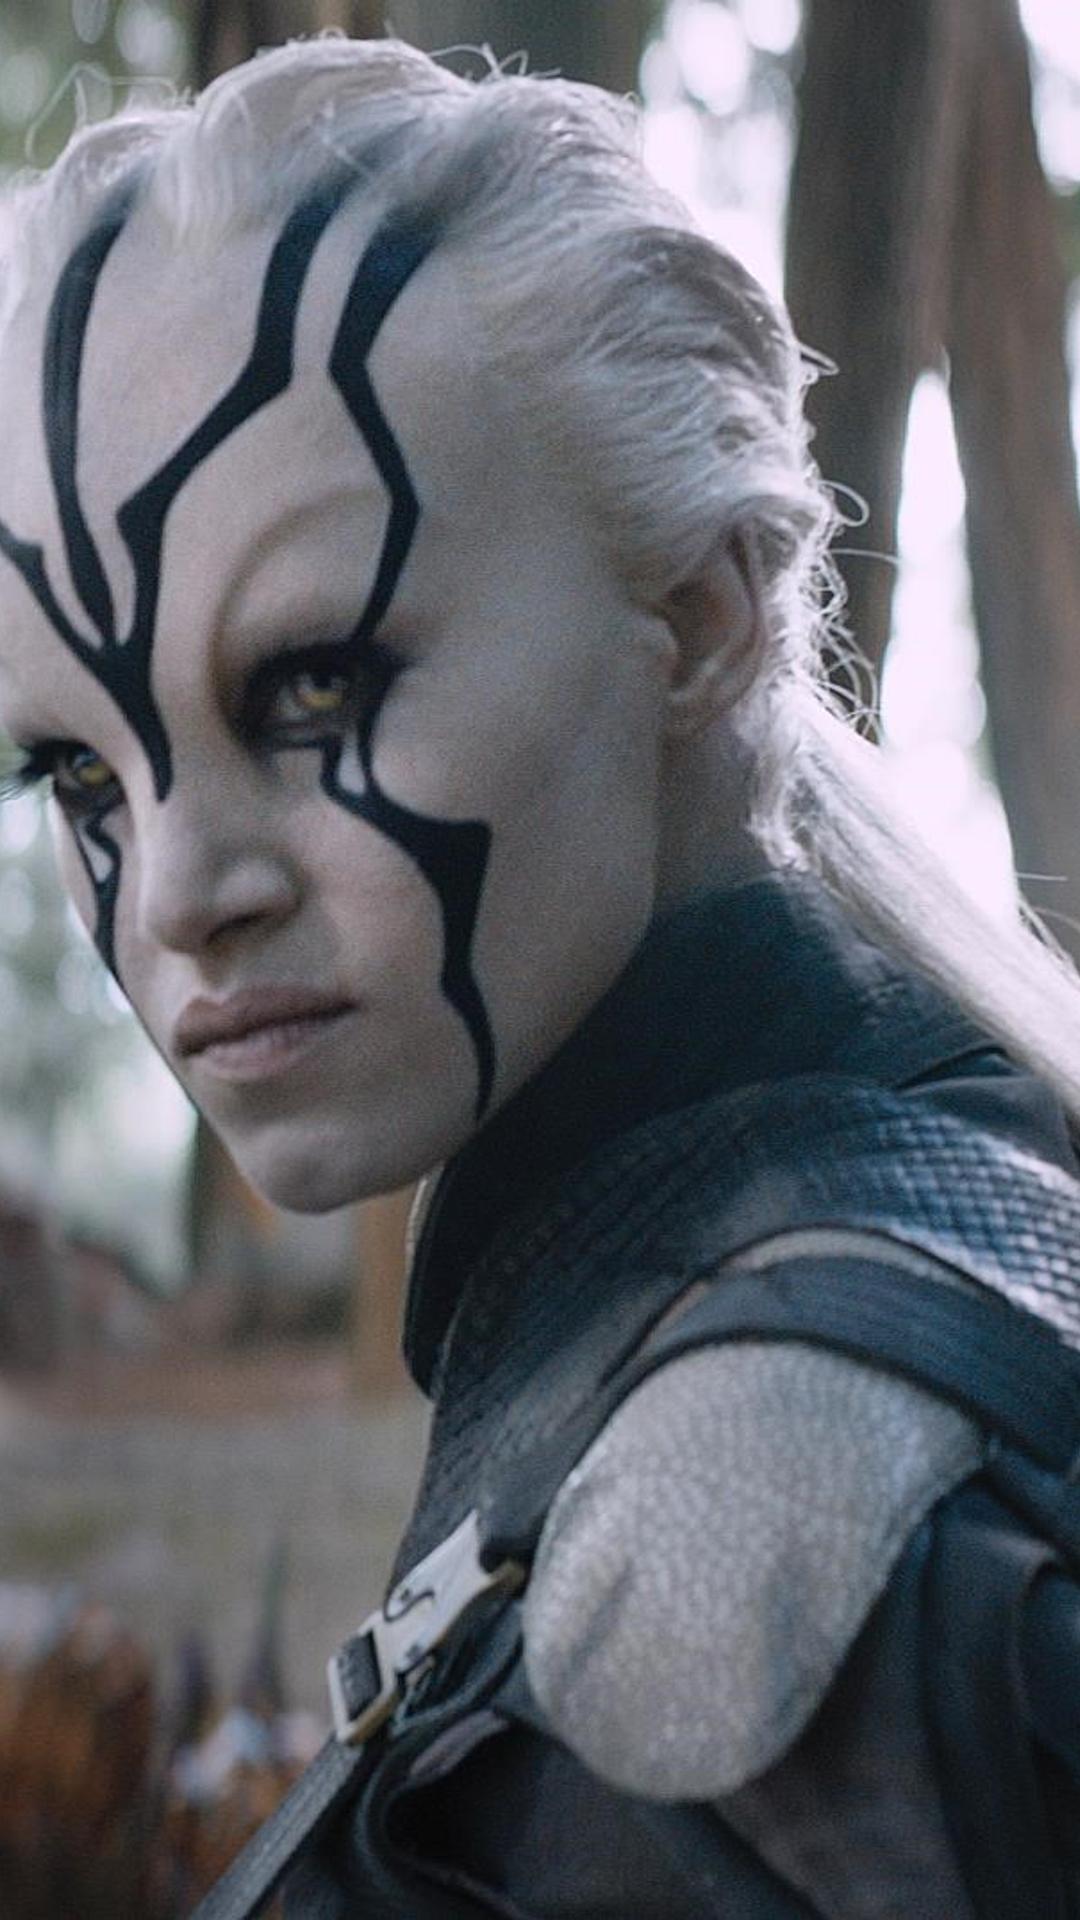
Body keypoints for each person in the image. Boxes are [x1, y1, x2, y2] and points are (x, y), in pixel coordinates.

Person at [1, 35, 1079, 1919]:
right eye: (81, 776)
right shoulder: (846, 1240)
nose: (174, 895)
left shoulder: (767, 1529)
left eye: (312, 684)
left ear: (697, 617)